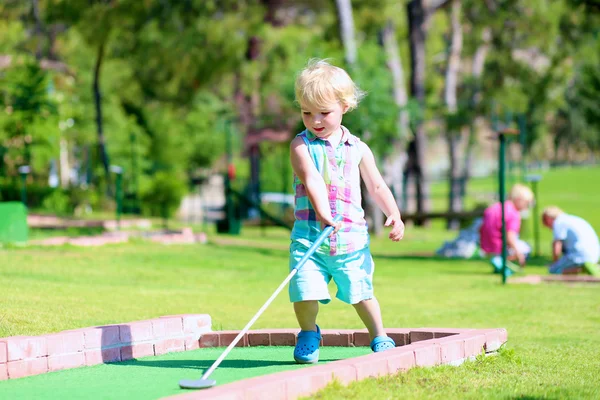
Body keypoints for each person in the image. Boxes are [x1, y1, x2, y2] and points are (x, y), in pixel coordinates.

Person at [288, 59, 405, 364]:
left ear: (344, 106)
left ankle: (379, 335)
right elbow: (311, 179)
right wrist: (324, 213)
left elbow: (377, 186)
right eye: (306, 113)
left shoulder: (358, 148)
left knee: (361, 292)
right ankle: (309, 332)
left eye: (324, 113)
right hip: (309, 239)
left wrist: (394, 214)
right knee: (304, 292)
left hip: (350, 241)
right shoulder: (300, 146)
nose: (315, 120)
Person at [479, 184, 534, 270]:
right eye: (527, 203)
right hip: (500, 247)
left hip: (486, 247)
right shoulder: (513, 213)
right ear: (519, 200)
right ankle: (503, 262)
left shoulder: (496, 207)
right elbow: (510, 236)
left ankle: (498, 260)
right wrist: (518, 253)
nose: (527, 207)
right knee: (526, 248)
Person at [542, 206, 600, 275]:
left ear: (548, 218)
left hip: (579, 255)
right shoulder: (572, 219)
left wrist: (555, 263)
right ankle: (588, 266)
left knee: (553, 270)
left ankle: (583, 268)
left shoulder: (559, 222)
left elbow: (557, 246)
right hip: (595, 253)